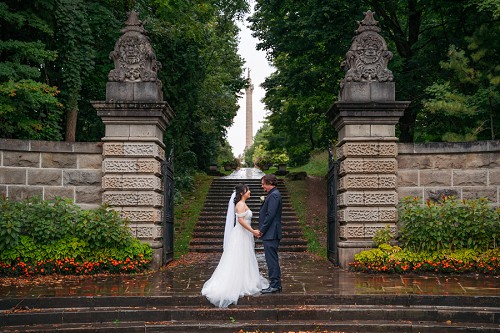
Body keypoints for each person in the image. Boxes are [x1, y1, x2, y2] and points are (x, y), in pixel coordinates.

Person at [201, 183, 269, 308]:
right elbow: (241, 221)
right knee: (238, 256)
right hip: (240, 235)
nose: (250, 192)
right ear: (242, 193)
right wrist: (253, 231)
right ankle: (236, 281)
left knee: (245, 257)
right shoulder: (240, 204)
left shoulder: (243, 204)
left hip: (245, 235)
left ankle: (246, 278)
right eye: (248, 190)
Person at [259, 174, 283, 294]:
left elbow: (270, 215)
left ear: (269, 183)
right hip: (271, 232)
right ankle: (276, 284)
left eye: (263, 183)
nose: (262, 186)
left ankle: (275, 285)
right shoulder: (273, 194)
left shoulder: (274, 195)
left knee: (271, 260)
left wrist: (262, 229)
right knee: (271, 259)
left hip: (271, 232)